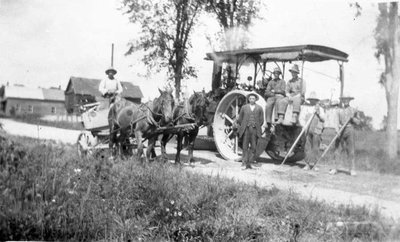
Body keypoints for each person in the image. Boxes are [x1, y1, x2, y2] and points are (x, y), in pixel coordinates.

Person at [329, 93, 360, 176]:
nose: (345, 101)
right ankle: (335, 168)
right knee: (337, 149)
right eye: (344, 99)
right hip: (340, 129)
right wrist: (337, 130)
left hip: (350, 130)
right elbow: (336, 121)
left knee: (351, 150)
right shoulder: (339, 110)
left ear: (349, 100)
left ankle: (352, 169)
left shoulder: (353, 110)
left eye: (347, 99)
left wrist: (352, 118)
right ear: (342, 101)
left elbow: (358, 122)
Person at [236, 93, 264, 169]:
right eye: (250, 98)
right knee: (245, 146)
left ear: (255, 100)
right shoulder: (244, 107)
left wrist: (256, 125)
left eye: (253, 98)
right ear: (248, 99)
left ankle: (251, 162)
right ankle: (244, 163)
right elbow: (240, 119)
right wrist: (245, 124)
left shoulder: (259, 108)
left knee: (254, 146)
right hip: (246, 129)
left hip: (255, 129)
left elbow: (261, 120)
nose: (252, 100)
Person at [303, 91, 325, 170]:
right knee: (307, 147)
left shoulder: (320, 109)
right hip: (308, 129)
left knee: (315, 147)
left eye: (314, 100)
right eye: (311, 100)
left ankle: (315, 165)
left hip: (317, 129)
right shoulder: (307, 108)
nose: (312, 101)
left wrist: (318, 113)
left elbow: (323, 119)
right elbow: (302, 118)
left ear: (316, 100)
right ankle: (307, 164)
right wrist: (303, 127)